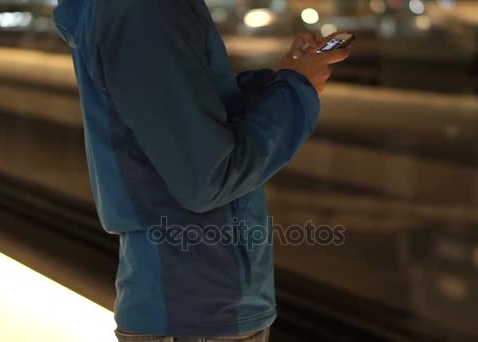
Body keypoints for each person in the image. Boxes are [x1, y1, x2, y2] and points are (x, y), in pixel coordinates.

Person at [53, 0, 349, 341]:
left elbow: (194, 111)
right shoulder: (145, 10)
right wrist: (295, 93)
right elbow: (208, 177)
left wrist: (285, 80)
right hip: (197, 314)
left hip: (198, 310)